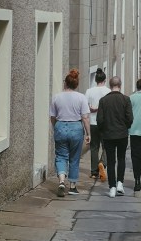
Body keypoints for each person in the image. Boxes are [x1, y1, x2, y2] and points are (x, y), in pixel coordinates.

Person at [49, 69, 91, 197]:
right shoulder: (81, 98)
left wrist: (55, 127)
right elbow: (85, 117)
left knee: (61, 155)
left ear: (65, 84)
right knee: (74, 157)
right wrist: (88, 133)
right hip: (76, 128)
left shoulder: (56, 97)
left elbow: (52, 116)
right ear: (76, 84)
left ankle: (61, 181)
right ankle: (72, 186)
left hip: (60, 126)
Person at [97, 76, 134, 199]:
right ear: (120, 85)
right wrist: (125, 127)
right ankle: (120, 183)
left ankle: (112, 187)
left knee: (111, 161)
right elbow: (130, 118)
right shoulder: (125, 99)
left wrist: (103, 131)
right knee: (121, 158)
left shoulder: (103, 101)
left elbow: (99, 120)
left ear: (110, 85)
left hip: (108, 135)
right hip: (122, 134)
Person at [86, 68, 109, 180]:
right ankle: (102, 162)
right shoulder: (108, 91)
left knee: (94, 147)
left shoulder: (89, 91)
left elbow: (86, 107)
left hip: (92, 122)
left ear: (95, 80)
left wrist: (93, 109)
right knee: (107, 146)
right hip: (105, 123)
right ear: (105, 79)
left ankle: (94, 172)